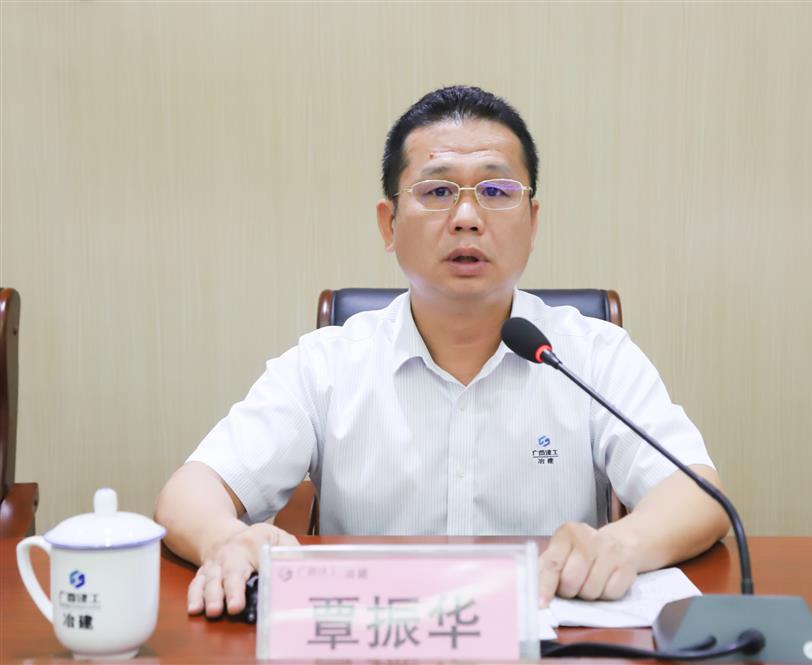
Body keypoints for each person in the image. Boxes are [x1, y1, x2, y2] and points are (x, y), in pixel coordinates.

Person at [155, 85, 729, 619]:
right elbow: (190, 492)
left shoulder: (592, 355)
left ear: (532, 223)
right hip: (380, 639)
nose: (467, 218)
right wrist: (226, 540)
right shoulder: (327, 364)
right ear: (389, 224)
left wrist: (619, 544)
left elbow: (697, 494)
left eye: (497, 192)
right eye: (436, 192)